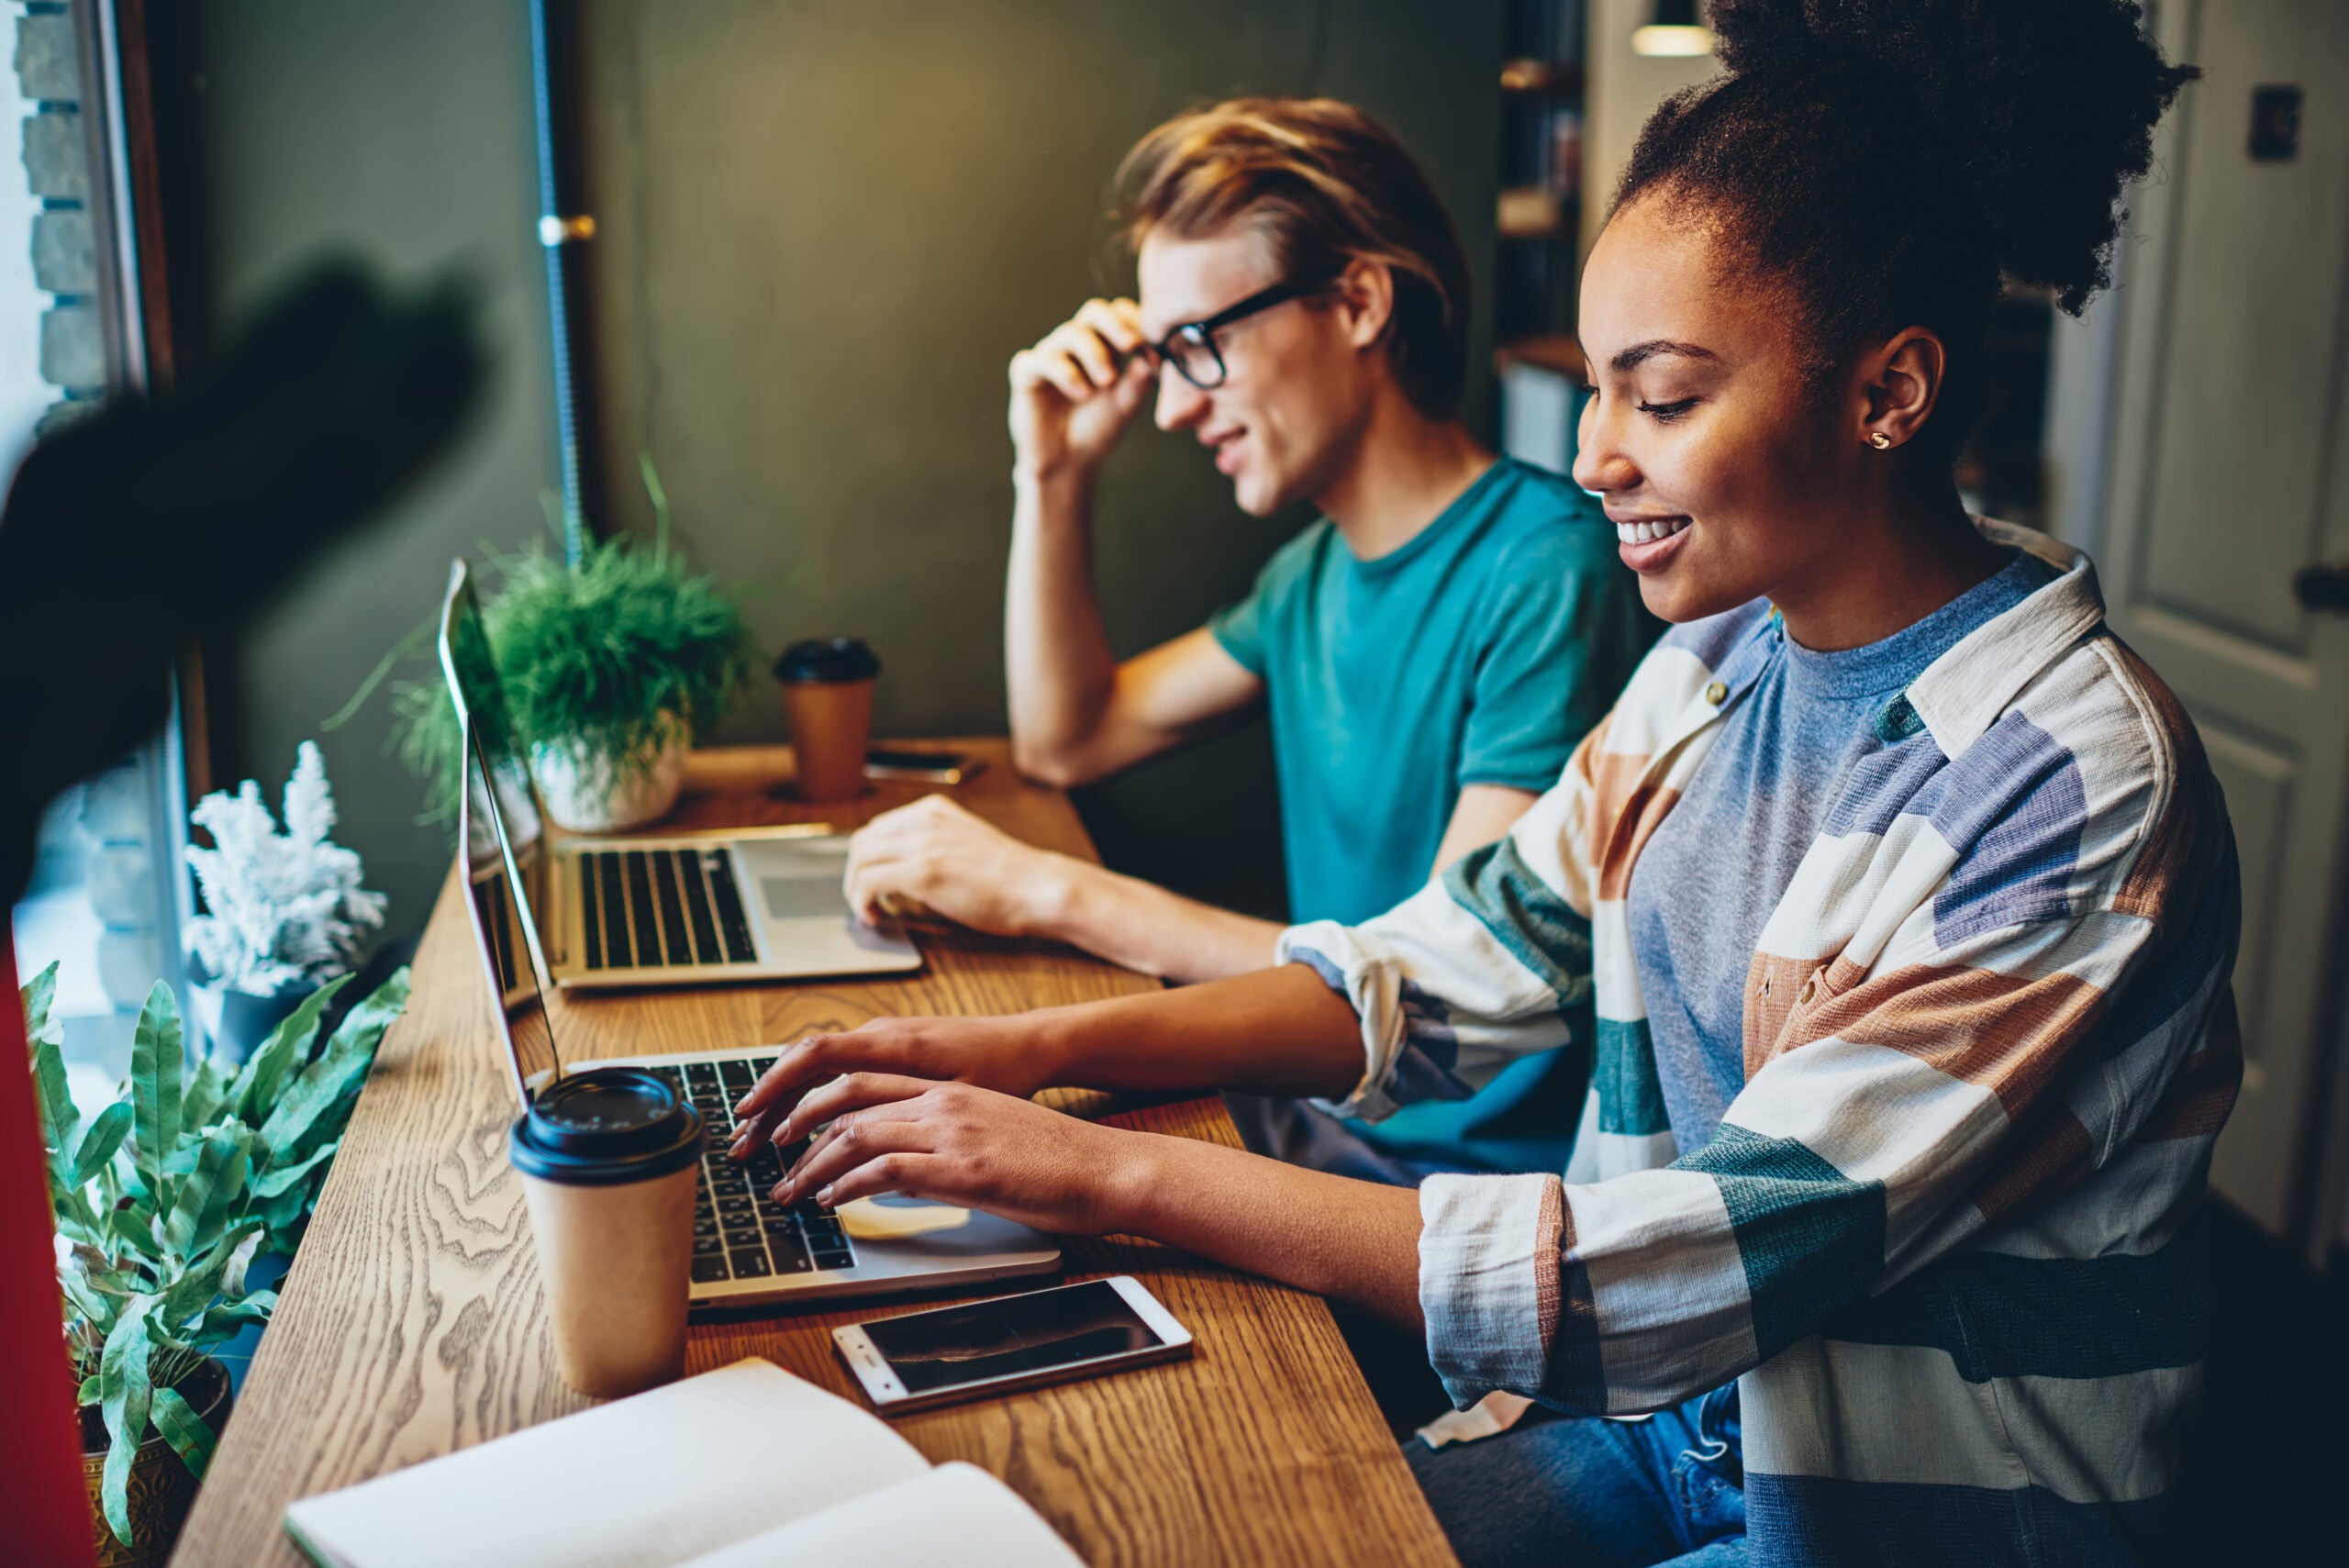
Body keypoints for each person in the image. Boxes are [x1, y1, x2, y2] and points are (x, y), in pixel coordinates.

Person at [733, 5, 2225, 1562]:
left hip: (1888, 1513)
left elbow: (1699, 1267)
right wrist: (1020, 1051)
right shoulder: (1714, 669)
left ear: (1889, 393)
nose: (1596, 455)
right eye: (1594, 390)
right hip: (1672, 1425)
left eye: (1659, 395)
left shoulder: (2077, 781)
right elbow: (1444, 967)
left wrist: (1109, 1165)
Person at [841, 97, 1654, 1184]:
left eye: (1198, 346)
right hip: (1307, 1124)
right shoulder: (1308, 577)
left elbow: (1434, 980)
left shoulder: (1547, 569)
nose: (1175, 407)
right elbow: (1067, 739)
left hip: (1438, 1200)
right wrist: (1052, 474)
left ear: (1358, 301)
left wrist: (1049, 888)